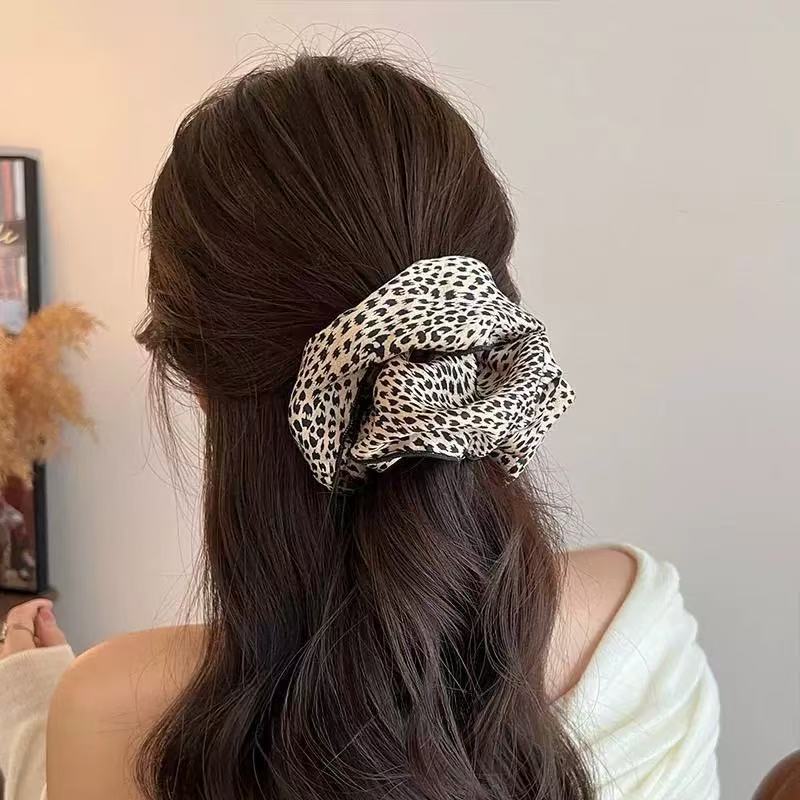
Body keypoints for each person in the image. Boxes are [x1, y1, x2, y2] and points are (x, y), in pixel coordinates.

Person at [0, 53, 719, 800]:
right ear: (483, 318)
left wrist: (27, 707)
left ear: (196, 377)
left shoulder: (116, 713)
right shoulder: (641, 617)